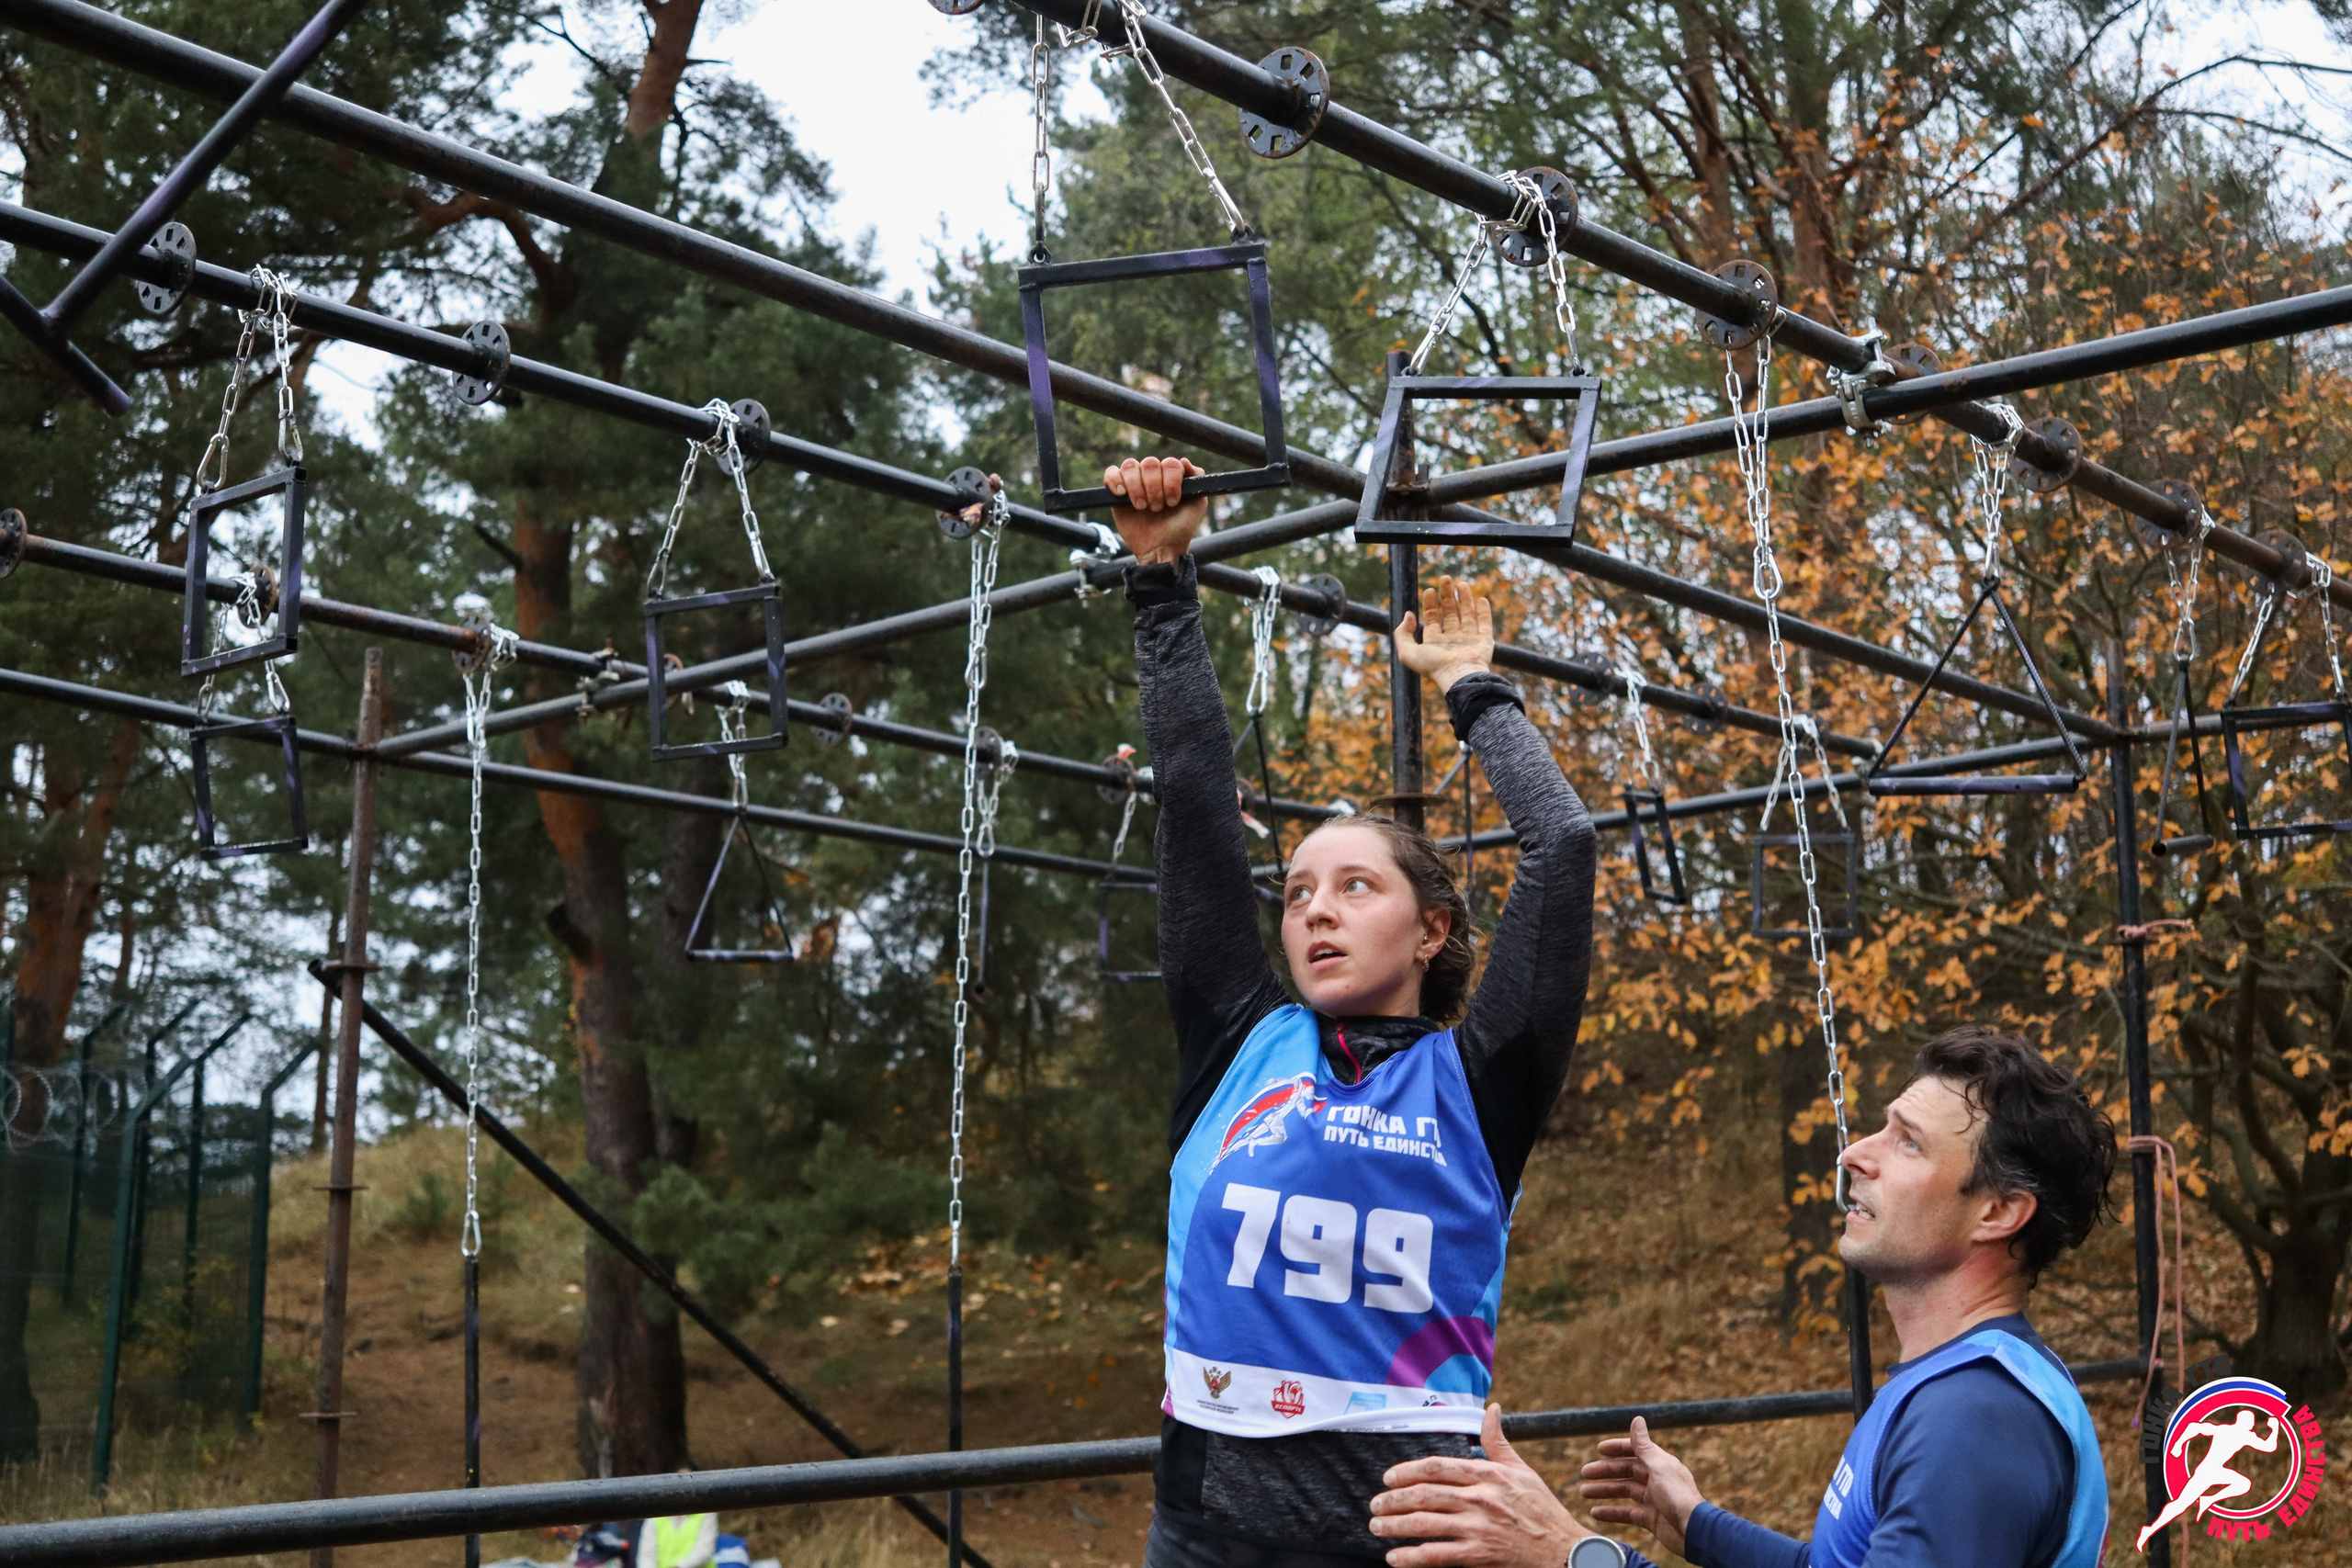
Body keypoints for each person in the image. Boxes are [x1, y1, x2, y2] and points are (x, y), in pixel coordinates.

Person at [1078, 455, 1599, 1568]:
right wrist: (1162, 581)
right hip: (1205, 1537)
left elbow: (1562, 850)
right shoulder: (1239, 1041)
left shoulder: (1480, 1076)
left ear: (1430, 931)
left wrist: (1473, 689)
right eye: (1299, 890)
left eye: (1356, 887)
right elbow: (1196, 801)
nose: (1314, 910)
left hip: (1412, 1547)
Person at [1364, 1026, 2116, 1568]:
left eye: (1908, 1142)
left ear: (1998, 1212)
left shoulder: (1977, 1419)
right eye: (1881, 1128)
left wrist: (1570, 1556)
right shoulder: (1956, 1385)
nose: (1857, 1152)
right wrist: (1693, 1524)